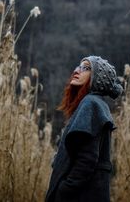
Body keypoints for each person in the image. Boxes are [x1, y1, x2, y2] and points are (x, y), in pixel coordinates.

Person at [45, 56, 123, 202]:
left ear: (97, 79)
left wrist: (65, 189)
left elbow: (87, 159)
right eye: (78, 66)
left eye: (86, 68)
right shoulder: (94, 104)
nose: (77, 70)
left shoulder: (91, 103)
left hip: (81, 195)